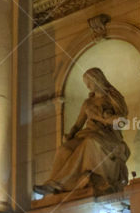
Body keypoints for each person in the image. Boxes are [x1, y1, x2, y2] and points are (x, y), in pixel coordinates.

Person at [36, 67, 131, 196]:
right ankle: (52, 184)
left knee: (90, 143)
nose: (88, 86)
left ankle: (60, 183)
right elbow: (77, 125)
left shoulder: (112, 98)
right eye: (86, 83)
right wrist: (70, 135)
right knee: (64, 149)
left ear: (98, 80)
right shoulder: (87, 103)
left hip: (108, 136)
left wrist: (98, 117)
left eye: (89, 82)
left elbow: (123, 122)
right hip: (88, 133)